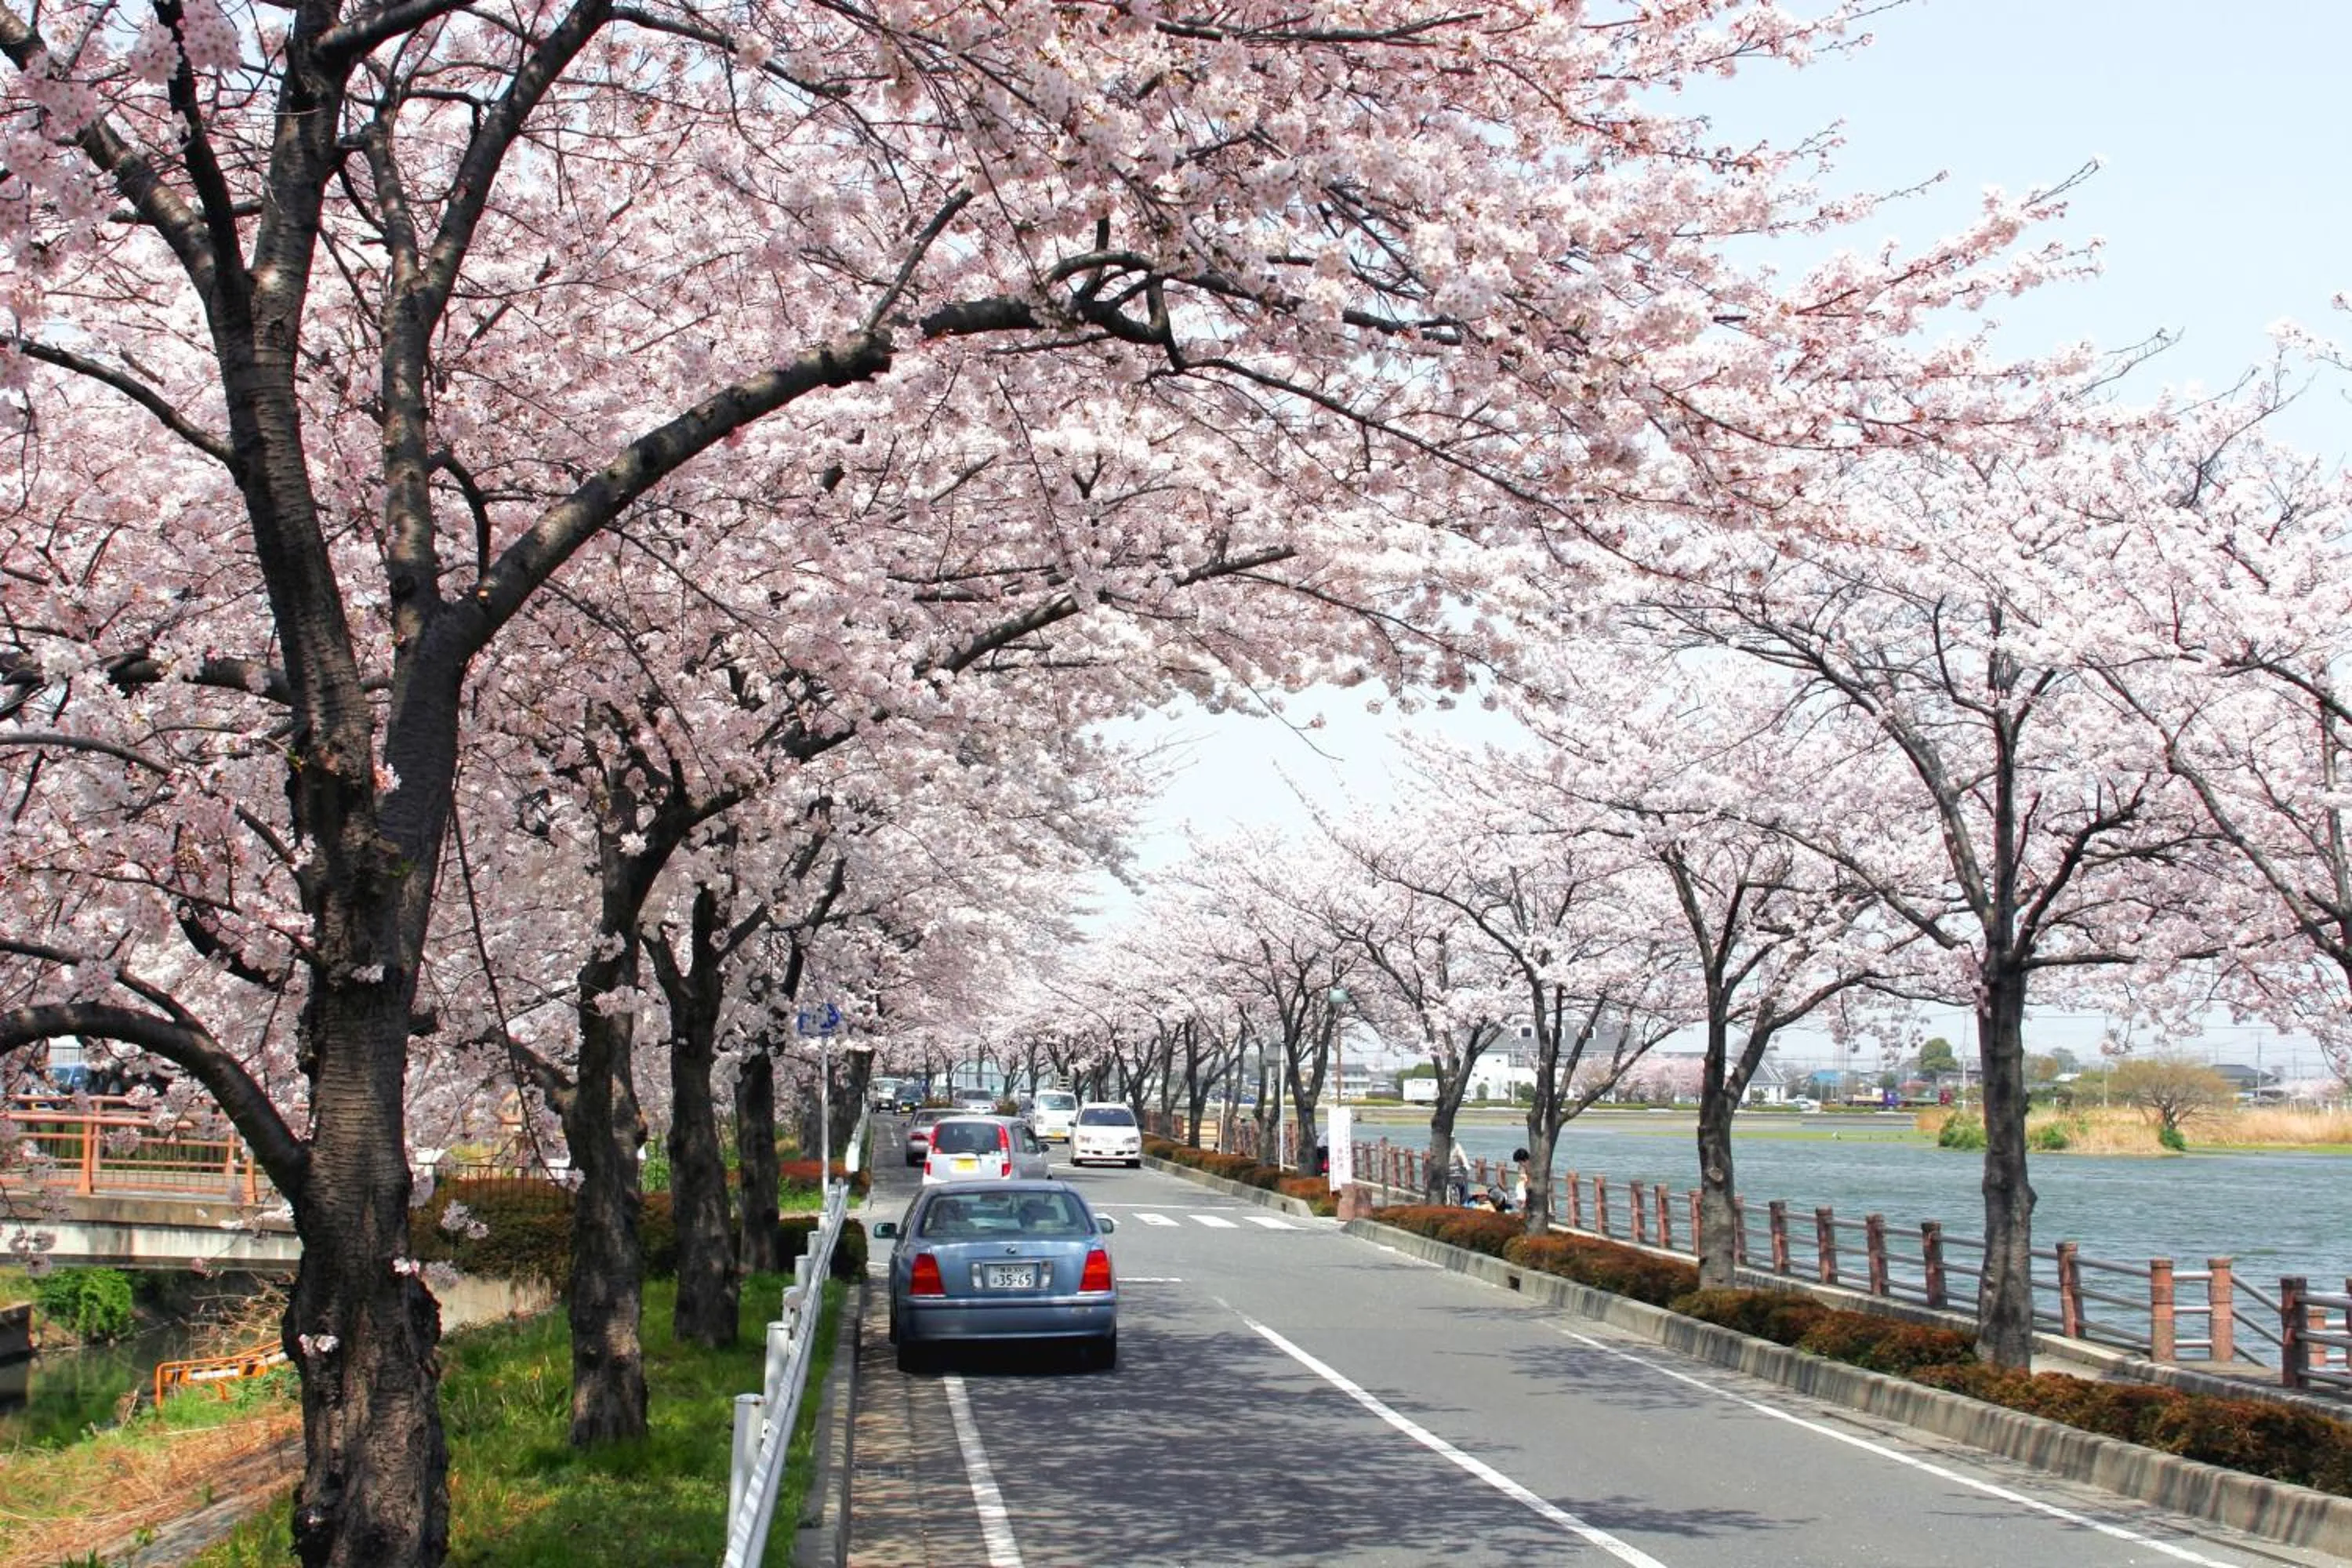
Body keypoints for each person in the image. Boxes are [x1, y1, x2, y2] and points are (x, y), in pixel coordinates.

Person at [1512, 1147, 1532, 1214]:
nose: (1520, 1164)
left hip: (1524, 1193)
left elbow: (1527, 1182)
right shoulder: (1525, 1167)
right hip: (1522, 1192)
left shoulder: (1528, 1168)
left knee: (1523, 1212)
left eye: (1520, 1162)